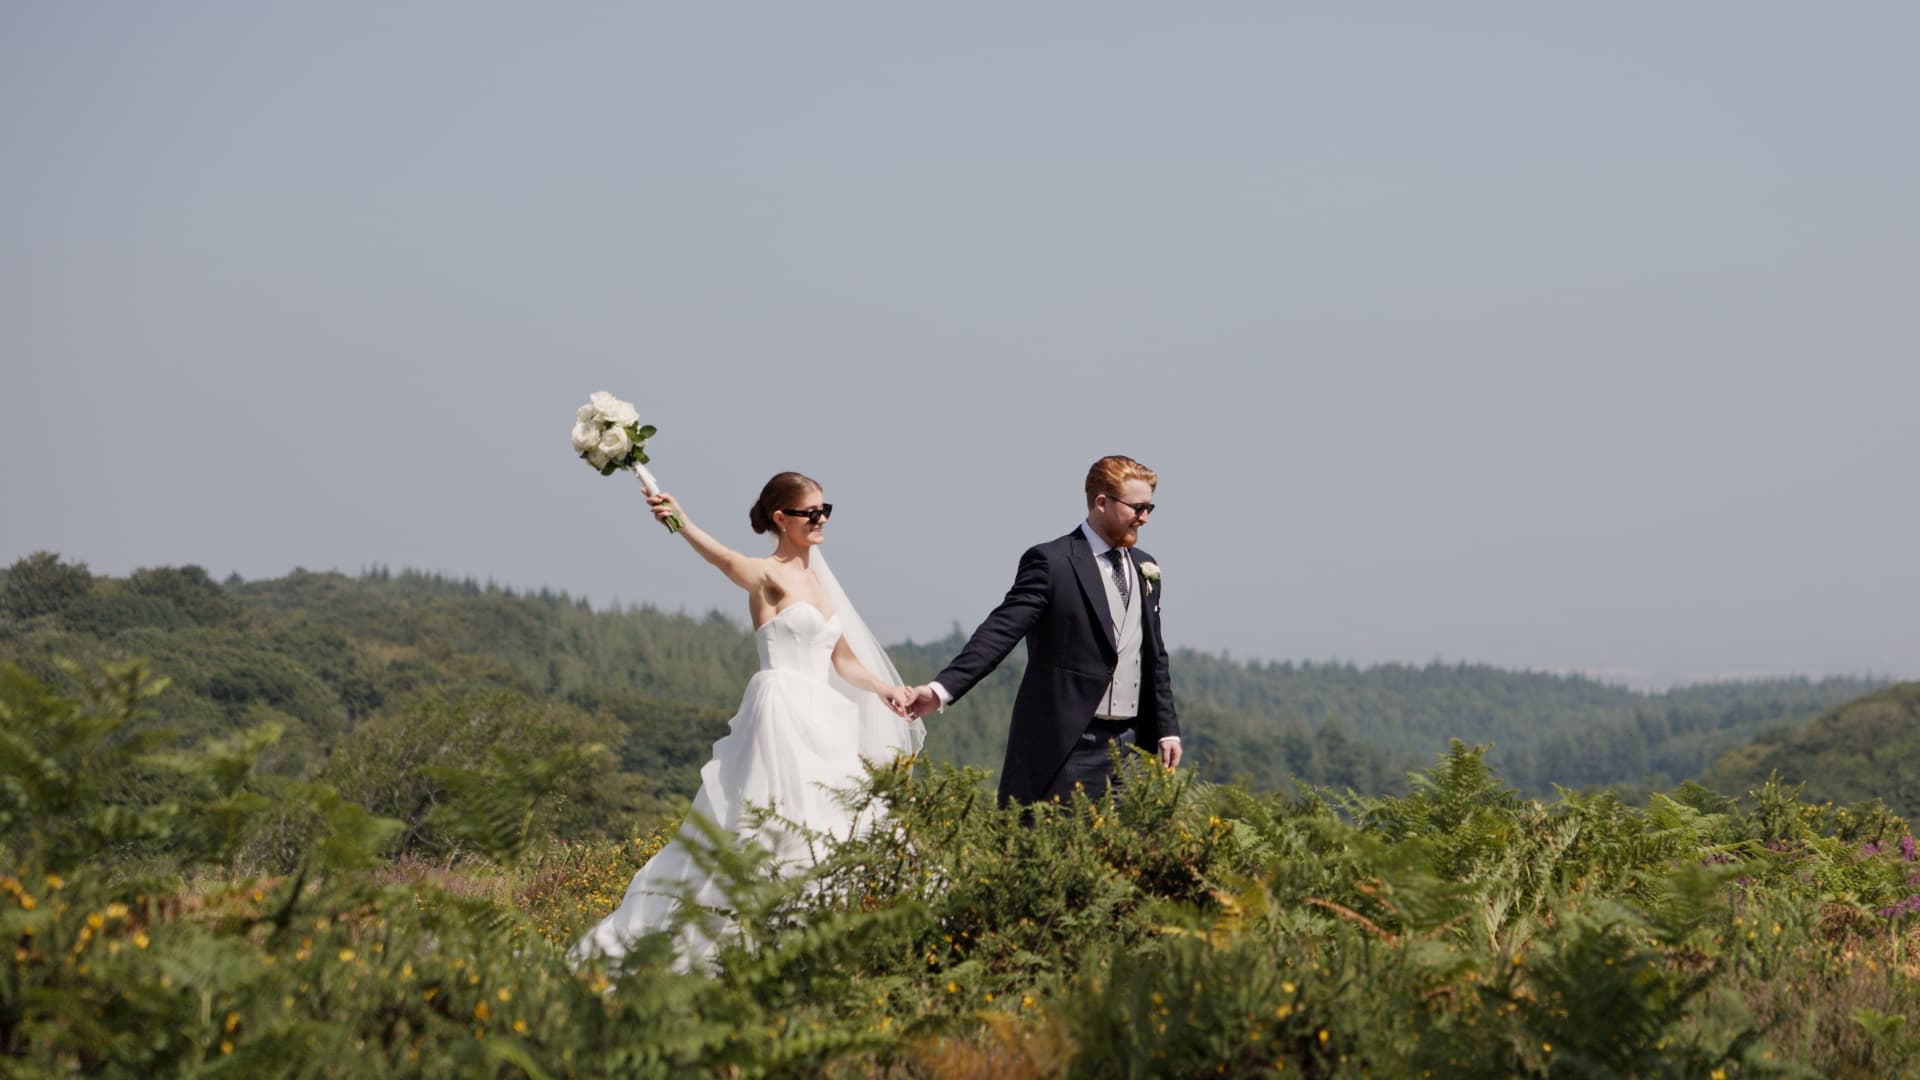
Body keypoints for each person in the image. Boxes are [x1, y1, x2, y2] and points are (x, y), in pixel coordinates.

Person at [570, 471, 921, 972]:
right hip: (780, 711)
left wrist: (886, 689)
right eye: (810, 512)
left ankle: (834, 939)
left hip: (825, 715)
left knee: (840, 818)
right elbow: (722, 559)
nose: (820, 520)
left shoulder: (821, 584)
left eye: (825, 510)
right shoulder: (766, 573)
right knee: (769, 820)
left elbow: (842, 661)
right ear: (781, 518)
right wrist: (681, 521)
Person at [908, 455, 1180, 805]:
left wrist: (1167, 729)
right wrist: (941, 689)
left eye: (1149, 508)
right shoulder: (1051, 562)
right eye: (1137, 507)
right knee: (1056, 850)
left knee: (1130, 856)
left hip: (1132, 748)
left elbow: (1154, 655)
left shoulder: (1146, 566)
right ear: (1101, 502)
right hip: (1069, 745)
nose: (1144, 517)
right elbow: (1000, 631)